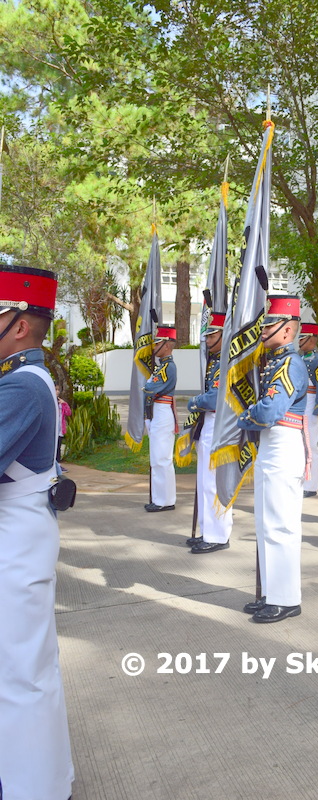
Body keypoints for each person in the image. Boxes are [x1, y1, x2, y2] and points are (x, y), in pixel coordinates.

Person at [0, 264, 74, 800]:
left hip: (17, 539)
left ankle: (35, 789)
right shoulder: (22, 378)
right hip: (19, 533)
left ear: (19, 324)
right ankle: (37, 779)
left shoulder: (22, 386)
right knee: (24, 667)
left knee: (22, 673)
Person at [238, 294, 309, 623]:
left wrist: (244, 417)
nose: (263, 330)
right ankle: (271, 592)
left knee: (281, 523)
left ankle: (285, 598)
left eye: (270, 325)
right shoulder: (276, 361)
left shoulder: (290, 363)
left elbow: (269, 410)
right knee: (266, 523)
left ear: (289, 329)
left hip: (283, 442)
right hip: (272, 444)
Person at [186, 312, 233, 553]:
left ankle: (218, 535)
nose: (207, 339)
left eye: (212, 333)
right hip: (208, 423)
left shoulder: (226, 362)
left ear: (224, 335)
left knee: (215, 482)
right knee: (205, 482)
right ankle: (208, 530)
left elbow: (215, 398)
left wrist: (194, 402)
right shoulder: (213, 362)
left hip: (219, 423)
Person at [143, 326, 178, 512]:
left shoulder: (167, 368)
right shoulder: (161, 367)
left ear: (166, 345)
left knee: (162, 458)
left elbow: (150, 389)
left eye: (157, 342)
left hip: (162, 411)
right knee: (157, 458)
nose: (154, 346)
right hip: (157, 412)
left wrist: (148, 384)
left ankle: (165, 500)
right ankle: (160, 498)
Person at [298, 322, 318, 498]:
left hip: (310, 403)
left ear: (313, 339)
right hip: (299, 404)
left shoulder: (317, 360)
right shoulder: (299, 358)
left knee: (310, 445)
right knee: (299, 444)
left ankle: (310, 484)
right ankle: (301, 481)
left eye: (303, 337)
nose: (299, 340)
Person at [55, 383, 72, 470]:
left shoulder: (61, 403)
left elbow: (68, 413)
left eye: (58, 390)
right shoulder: (50, 401)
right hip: (52, 430)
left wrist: (64, 404)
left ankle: (58, 465)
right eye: (55, 389)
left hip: (60, 430)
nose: (57, 392)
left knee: (58, 447)